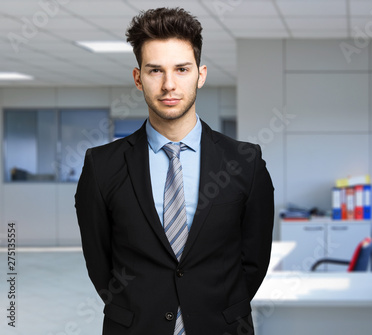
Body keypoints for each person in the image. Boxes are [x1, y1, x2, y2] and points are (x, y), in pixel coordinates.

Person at [75, 7, 274, 335]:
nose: (169, 84)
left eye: (182, 69)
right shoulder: (101, 166)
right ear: (138, 78)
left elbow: (253, 261)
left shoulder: (245, 162)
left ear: (201, 74)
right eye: (155, 71)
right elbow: (100, 262)